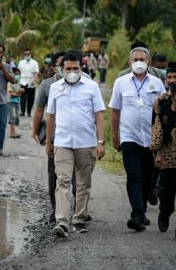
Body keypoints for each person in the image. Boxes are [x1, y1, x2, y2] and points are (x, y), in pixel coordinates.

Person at [45, 50, 106, 238]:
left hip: (86, 143)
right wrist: (49, 141)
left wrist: (100, 141)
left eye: (75, 68)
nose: (72, 71)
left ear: (81, 68)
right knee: (62, 181)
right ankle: (62, 222)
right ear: (61, 69)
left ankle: (79, 219)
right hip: (62, 142)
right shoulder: (55, 88)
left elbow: (99, 114)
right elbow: (51, 117)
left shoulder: (91, 86)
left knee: (83, 183)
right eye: (68, 68)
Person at [109, 44, 166, 232]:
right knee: (133, 175)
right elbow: (115, 111)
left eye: (142, 59)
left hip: (150, 139)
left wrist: (162, 140)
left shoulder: (157, 84)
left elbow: (162, 112)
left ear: (148, 62)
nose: (139, 62)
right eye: (136, 60)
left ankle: (140, 212)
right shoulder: (121, 82)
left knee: (147, 177)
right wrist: (114, 137)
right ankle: (137, 214)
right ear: (129, 62)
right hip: (129, 136)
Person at [150, 62, 176, 242]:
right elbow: (157, 127)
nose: (172, 80)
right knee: (167, 190)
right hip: (167, 152)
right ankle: (164, 213)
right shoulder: (160, 102)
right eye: (170, 77)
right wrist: (156, 152)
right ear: (166, 79)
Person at [32, 51, 66, 223]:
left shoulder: (83, 83)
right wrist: (35, 130)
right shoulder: (46, 86)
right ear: (54, 68)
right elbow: (39, 110)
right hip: (54, 137)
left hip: (77, 137)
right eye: (61, 64)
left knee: (75, 177)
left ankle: (77, 209)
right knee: (54, 175)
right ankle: (56, 209)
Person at [148, 52, 168, 205]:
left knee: (161, 159)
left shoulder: (171, 78)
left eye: (164, 67)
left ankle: (157, 187)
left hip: (165, 123)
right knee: (153, 160)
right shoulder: (149, 79)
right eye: (159, 68)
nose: (162, 70)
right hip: (150, 124)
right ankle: (152, 187)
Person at [18, 49, 39, 117]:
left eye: (28, 54)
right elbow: (18, 72)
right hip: (23, 81)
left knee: (31, 98)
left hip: (31, 82)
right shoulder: (21, 62)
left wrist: (34, 80)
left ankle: (29, 112)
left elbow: (36, 72)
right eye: (25, 54)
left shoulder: (34, 63)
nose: (27, 55)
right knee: (23, 98)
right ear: (24, 55)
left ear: (30, 54)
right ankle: (23, 111)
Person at [7, 67, 25, 138]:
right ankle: (12, 133)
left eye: (19, 74)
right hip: (10, 102)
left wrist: (19, 92)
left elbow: (18, 94)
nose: (18, 76)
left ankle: (14, 131)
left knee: (16, 117)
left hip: (16, 102)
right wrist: (19, 92)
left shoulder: (18, 83)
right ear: (12, 74)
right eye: (16, 74)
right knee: (12, 117)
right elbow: (11, 94)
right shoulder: (9, 83)